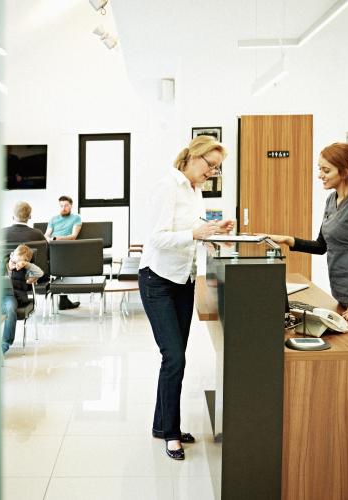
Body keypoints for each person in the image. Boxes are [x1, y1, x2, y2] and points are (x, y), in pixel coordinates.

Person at [138, 135, 234, 460]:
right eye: (211, 166)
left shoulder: (195, 191)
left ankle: (161, 424)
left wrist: (214, 230)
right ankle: (171, 433)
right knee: (174, 358)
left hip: (183, 279)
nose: (213, 173)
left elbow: (193, 229)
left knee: (174, 358)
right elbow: (157, 238)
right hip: (158, 280)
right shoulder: (168, 186)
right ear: (194, 157)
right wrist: (196, 234)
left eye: (217, 169)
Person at [268, 142, 348, 324]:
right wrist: (287, 240)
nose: (320, 175)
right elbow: (321, 246)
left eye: (326, 170)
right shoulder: (332, 199)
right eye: (320, 169)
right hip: (342, 291)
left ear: (345, 172)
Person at [2, 244, 43, 354]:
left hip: (11, 297)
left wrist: (26, 265)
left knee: (10, 308)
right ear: (11, 255)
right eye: (14, 262)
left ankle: (4, 344)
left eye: (19, 263)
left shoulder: (25, 269)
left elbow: (40, 273)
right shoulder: (1, 264)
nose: (15, 266)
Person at [44, 195, 82, 310]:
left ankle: (63, 300)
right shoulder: (53, 219)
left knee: (61, 262)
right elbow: (47, 234)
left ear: (71, 206)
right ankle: (63, 300)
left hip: (66, 247)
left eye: (66, 205)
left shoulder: (76, 218)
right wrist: (50, 240)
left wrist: (58, 239)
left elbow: (74, 236)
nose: (63, 208)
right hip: (53, 247)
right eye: (61, 206)